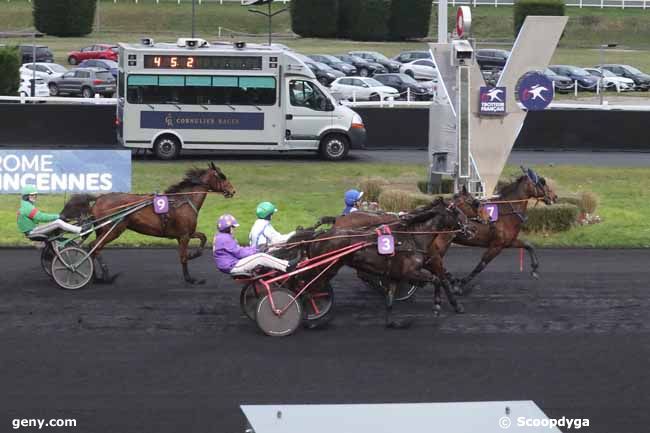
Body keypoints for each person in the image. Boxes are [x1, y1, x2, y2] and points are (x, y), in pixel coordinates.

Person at [213, 214, 298, 275]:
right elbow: (240, 253)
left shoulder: (221, 236)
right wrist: (257, 251)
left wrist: (255, 248)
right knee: (260, 257)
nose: (234, 229)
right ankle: (287, 266)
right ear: (227, 228)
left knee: (261, 254)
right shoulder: (225, 239)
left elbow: (239, 250)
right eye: (233, 227)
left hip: (230, 264)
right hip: (232, 266)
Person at [16, 185, 84, 238]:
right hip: (32, 231)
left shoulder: (26, 205)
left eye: (35, 195)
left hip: (32, 229)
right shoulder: (27, 207)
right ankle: (80, 230)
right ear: (26, 196)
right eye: (32, 195)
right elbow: (41, 217)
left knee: (56, 223)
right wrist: (58, 216)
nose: (35, 196)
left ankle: (75, 229)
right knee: (58, 223)